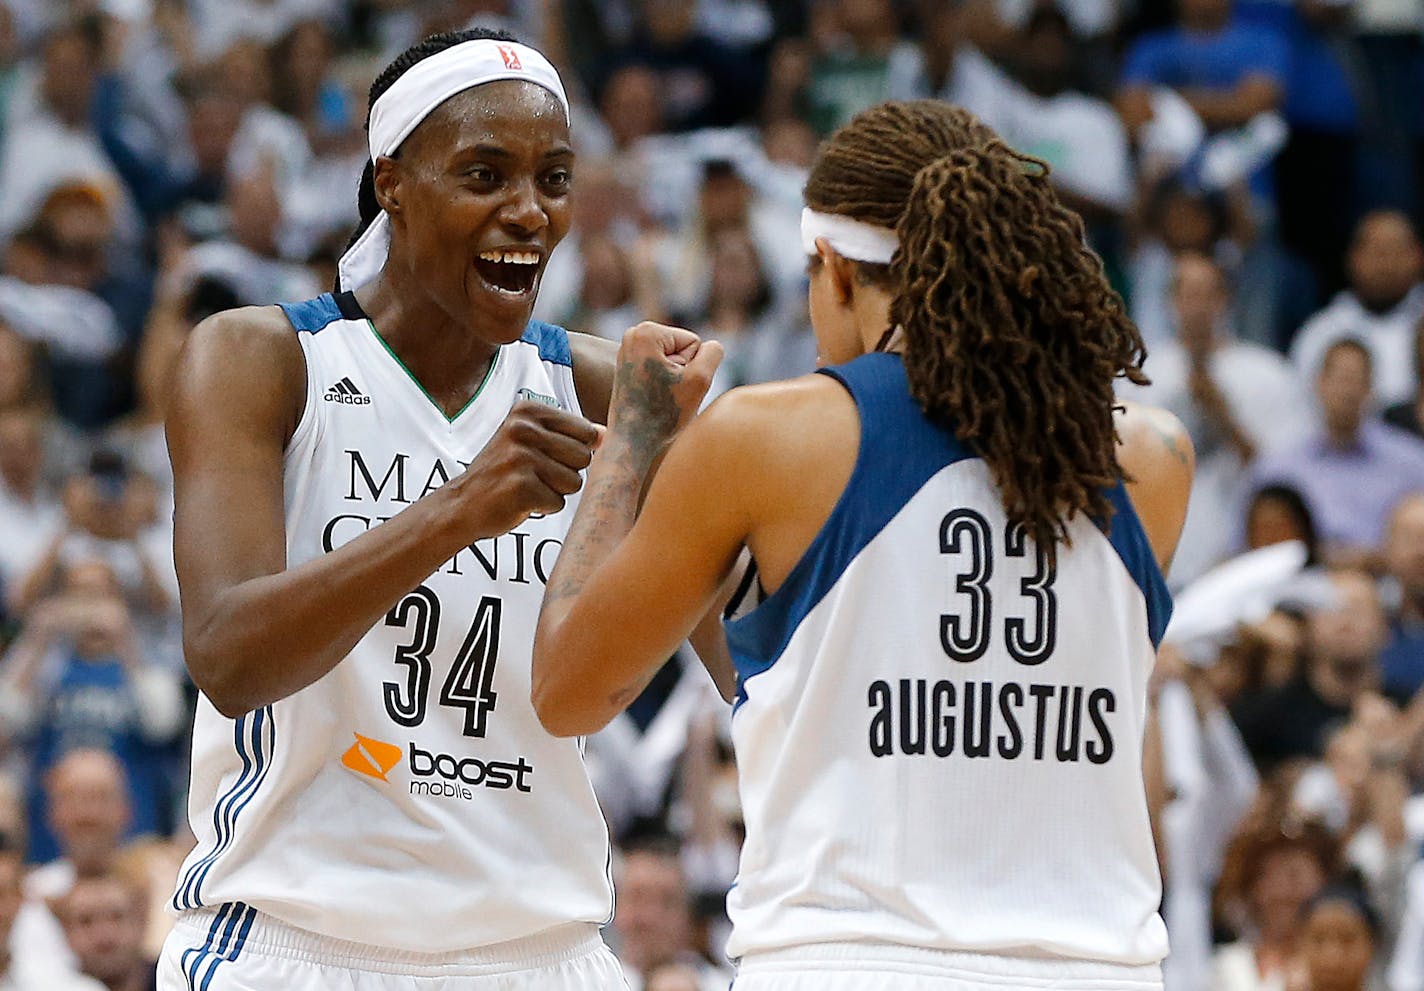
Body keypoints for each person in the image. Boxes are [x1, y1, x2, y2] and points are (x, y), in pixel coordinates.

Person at [533, 100, 1194, 989]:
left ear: (835, 269)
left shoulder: (768, 439)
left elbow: (568, 689)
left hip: (850, 963)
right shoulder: (1151, 459)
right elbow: (821, 696)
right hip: (1095, 968)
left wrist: (633, 441)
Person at [158, 28, 633, 991]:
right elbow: (227, 656)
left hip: (545, 947)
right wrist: (455, 512)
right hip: (299, 939)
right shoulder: (262, 361)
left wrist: (711, 464)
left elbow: (748, 669)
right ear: (392, 182)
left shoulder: (603, 389)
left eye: (553, 179)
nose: (528, 212)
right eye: (485, 175)